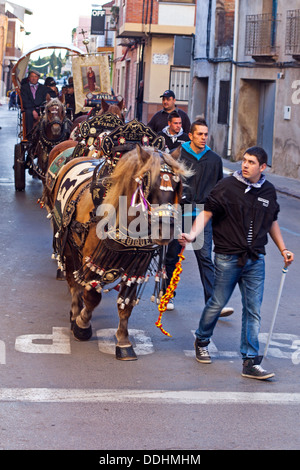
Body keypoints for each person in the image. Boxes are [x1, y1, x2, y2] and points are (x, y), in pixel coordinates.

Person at [179, 146, 294, 380]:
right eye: (244, 160)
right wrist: (192, 235)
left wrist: (283, 248)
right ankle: (202, 340)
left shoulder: (268, 191)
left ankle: (250, 361)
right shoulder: (227, 187)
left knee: (253, 310)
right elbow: (207, 212)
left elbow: (271, 221)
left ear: (262, 167)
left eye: (251, 162)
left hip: (255, 259)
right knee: (217, 303)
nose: (245, 165)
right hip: (227, 257)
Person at [165, 118, 233, 318]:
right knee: (172, 256)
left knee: (205, 258)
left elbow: (220, 189)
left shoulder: (214, 159)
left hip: (203, 215)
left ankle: (213, 303)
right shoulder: (177, 156)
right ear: (191, 135)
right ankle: (167, 294)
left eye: (206, 134)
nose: (203, 138)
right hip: (180, 213)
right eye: (200, 134)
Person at [20, 70, 49, 135]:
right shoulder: (24, 87)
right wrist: (33, 110)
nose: (33, 78)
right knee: (28, 113)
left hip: (41, 108)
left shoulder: (43, 88)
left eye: (35, 76)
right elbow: (25, 100)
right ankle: (29, 135)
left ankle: (46, 135)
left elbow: (46, 98)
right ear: (29, 78)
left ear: (38, 78)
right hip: (29, 109)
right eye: (32, 76)